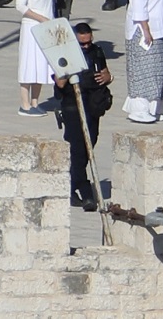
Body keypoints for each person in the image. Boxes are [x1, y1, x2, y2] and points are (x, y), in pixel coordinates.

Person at [53, 23, 112, 212]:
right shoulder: (64, 54)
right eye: (82, 44)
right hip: (73, 108)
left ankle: (71, 187)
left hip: (93, 107)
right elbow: (59, 83)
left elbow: (105, 72)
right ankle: (85, 192)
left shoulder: (96, 51)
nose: (86, 46)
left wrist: (108, 78)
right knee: (77, 150)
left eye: (88, 42)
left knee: (89, 147)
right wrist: (69, 68)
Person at [15, 0, 54, 117]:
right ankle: (24, 104)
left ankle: (35, 102)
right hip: (32, 27)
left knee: (41, 64)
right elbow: (20, 5)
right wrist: (40, 18)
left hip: (45, 27)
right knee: (29, 63)